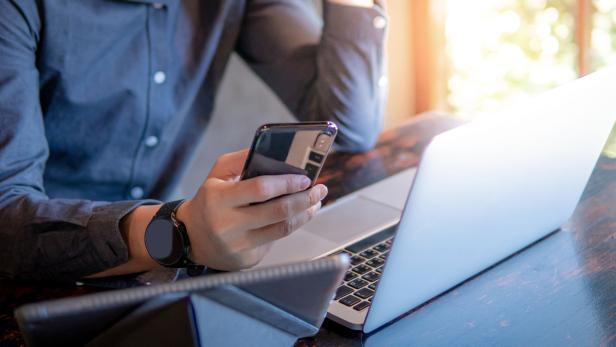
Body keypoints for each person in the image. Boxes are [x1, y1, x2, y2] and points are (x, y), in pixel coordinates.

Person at [0, 0, 387, 281]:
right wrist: (180, 231)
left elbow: (348, 125)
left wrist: (184, 234)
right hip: (31, 282)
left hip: (157, 272)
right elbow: (6, 219)